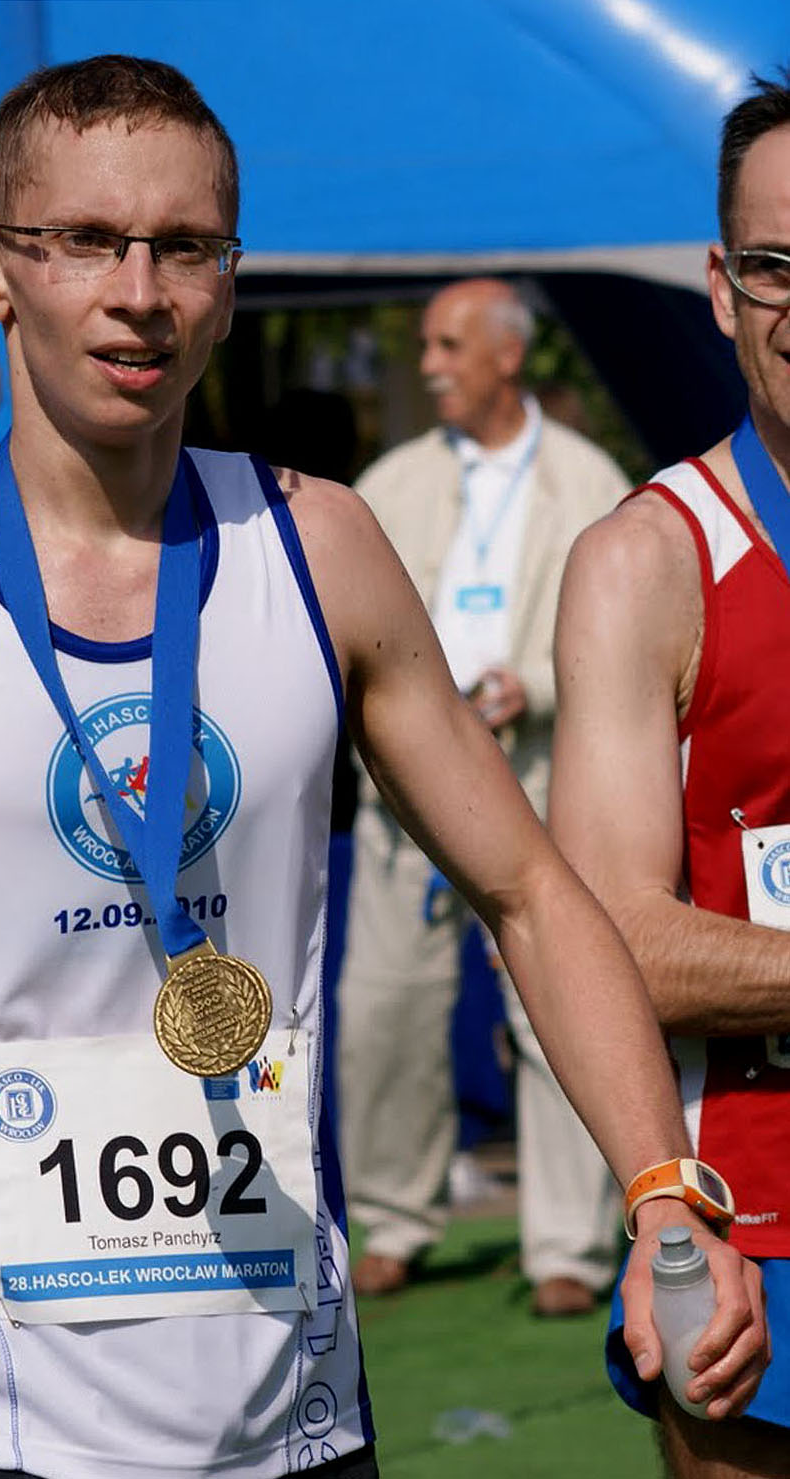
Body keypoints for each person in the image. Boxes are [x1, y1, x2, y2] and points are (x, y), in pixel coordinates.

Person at [0, 54, 767, 1479]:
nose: (139, 291)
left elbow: (529, 890)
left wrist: (661, 1190)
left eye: (186, 247)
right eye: (85, 240)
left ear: (229, 278)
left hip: (285, 1403)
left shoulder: (318, 545)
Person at [550, 68, 790, 1477]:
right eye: (775, 267)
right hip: (755, 1220)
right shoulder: (648, 560)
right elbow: (612, 939)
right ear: (720, 286)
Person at [337, 279, 627, 1314]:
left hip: (544, 779)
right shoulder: (388, 483)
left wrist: (533, 686)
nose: (428, 366)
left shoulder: (587, 479)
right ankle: (392, 1221)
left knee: (558, 1008)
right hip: (406, 789)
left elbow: (623, 642)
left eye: (447, 345)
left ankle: (569, 1247)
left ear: (508, 355)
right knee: (382, 1008)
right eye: (424, 344)